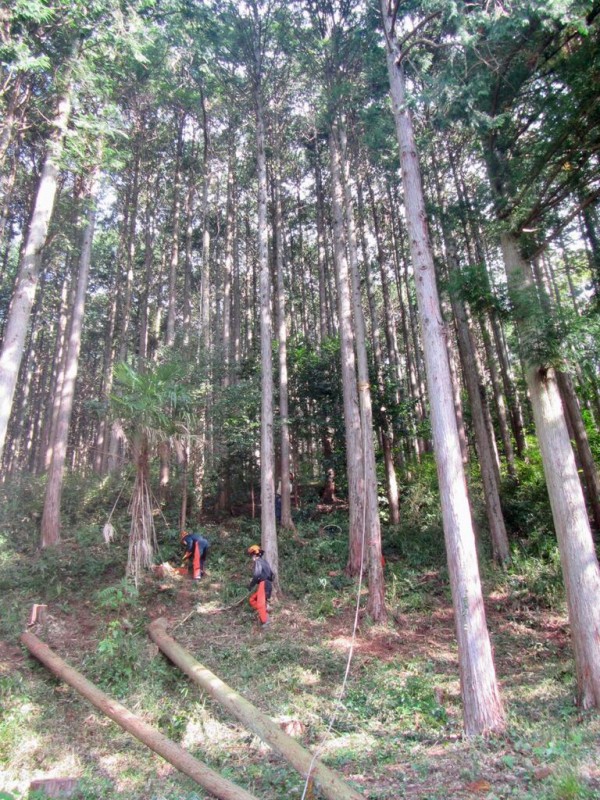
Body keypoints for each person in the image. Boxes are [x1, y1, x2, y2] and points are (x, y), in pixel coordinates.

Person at [246, 544, 274, 627]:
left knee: (260, 604)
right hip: (268, 584)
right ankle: (264, 612)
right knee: (252, 599)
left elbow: (256, 574)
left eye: (252, 555)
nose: (252, 558)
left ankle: (266, 621)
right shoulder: (265, 562)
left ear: (254, 555)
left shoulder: (258, 561)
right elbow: (272, 575)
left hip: (263, 584)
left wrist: (251, 585)